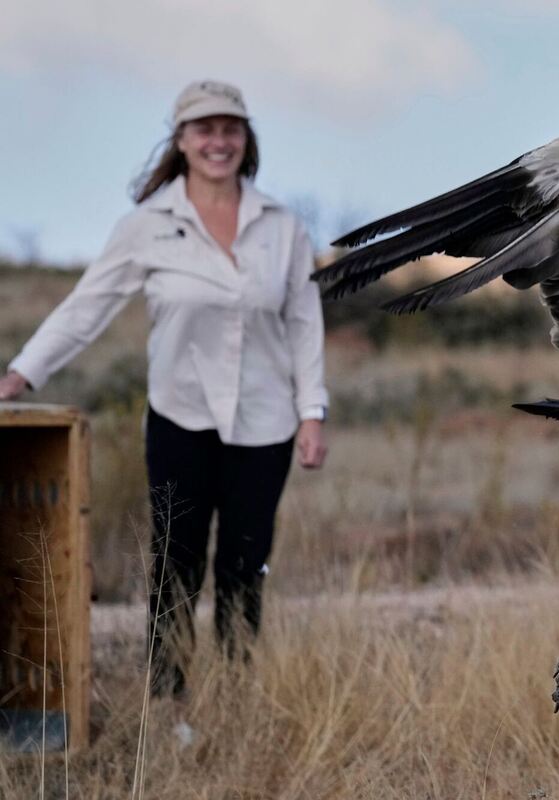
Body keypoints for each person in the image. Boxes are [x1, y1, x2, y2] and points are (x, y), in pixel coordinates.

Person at [0, 80, 329, 699]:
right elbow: (86, 308)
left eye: (230, 129)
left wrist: (312, 412)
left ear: (245, 138)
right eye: (204, 129)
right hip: (180, 420)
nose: (218, 141)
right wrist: (21, 374)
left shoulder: (282, 226)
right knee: (176, 565)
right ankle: (166, 701)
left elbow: (304, 324)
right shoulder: (147, 226)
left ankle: (235, 697)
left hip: (266, 423)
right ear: (180, 140)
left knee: (244, 565)